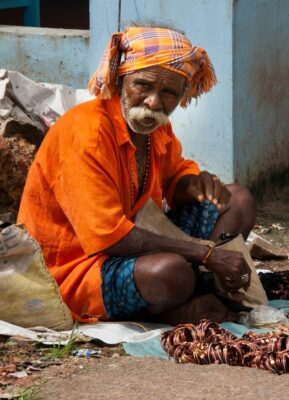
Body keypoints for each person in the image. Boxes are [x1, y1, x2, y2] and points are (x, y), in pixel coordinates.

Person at [18, 26, 256, 325]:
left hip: (137, 243)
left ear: (184, 96)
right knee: (170, 272)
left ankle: (194, 289)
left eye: (169, 92)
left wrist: (194, 185)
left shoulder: (154, 125)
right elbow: (108, 239)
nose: (154, 102)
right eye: (143, 86)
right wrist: (205, 255)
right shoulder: (87, 135)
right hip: (75, 271)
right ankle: (181, 300)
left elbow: (174, 178)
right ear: (120, 82)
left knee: (238, 200)